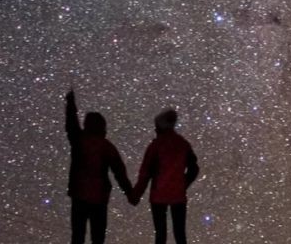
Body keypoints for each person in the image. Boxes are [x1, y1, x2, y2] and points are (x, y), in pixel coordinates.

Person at [64, 89, 135, 244]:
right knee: (98, 238)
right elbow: (119, 173)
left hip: (79, 195)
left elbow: (71, 125)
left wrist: (70, 104)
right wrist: (130, 193)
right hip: (99, 198)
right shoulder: (107, 146)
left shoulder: (80, 141)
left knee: (77, 236)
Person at [131, 107, 199, 244]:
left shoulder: (155, 146)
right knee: (180, 234)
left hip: (158, 196)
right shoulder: (183, 144)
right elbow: (194, 168)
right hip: (178, 195)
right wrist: (183, 184)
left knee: (160, 235)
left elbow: (145, 173)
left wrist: (136, 195)